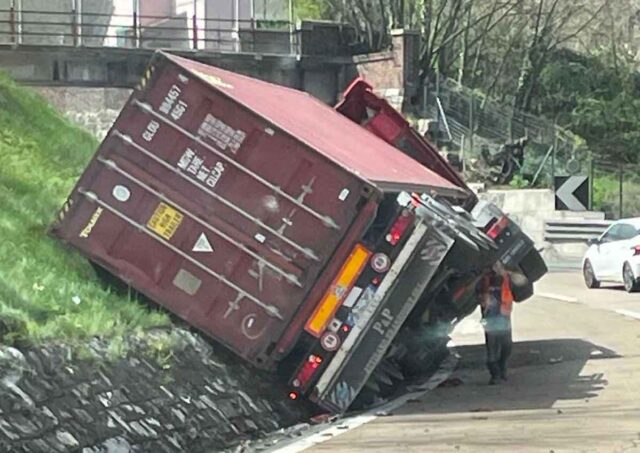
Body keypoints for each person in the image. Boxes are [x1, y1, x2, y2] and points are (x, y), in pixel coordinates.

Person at [478, 261, 514, 385]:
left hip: (504, 316)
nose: (496, 268)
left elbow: (520, 284)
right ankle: (496, 375)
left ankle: (502, 369)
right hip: (491, 318)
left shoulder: (506, 277)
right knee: (492, 350)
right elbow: (478, 294)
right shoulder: (484, 279)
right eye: (494, 265)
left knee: (507, 346)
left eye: (498, 265)